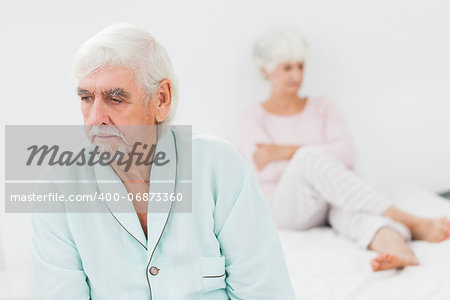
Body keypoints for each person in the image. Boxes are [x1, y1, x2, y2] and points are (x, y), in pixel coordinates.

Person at [31, 23, 295, 299]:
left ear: (161, 99)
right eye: (86, 98)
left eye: (115, 98)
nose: (96, 117)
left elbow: (265, 291)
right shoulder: (57, 189)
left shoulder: (218, 166)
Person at [238, 28, 450, 272]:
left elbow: (347, 153)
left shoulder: (322, 106)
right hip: (286, 208)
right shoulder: (252, 117)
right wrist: (312, 159)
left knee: (358, 213)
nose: (297, 75)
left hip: (330, 199)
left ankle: (401, 251)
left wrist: (283, 150)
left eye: (301, 66)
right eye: (287, 68)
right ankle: (410, 220)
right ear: (266, 70)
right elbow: (267, 172)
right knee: (310, 159)